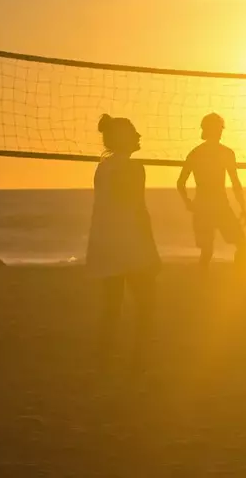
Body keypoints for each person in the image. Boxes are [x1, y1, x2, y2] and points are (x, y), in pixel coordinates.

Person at [86, 114, 160, 371]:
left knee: (112, 306)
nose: (139, 136)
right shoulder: (133, 168)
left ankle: (102, 358)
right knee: (146, 304)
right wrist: (151, 250)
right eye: (134, 132)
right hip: (129, 243)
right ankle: (139, 359)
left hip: (105, 242)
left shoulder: (102, 167)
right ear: (121, 138)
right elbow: (138, 209)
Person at [177, 113, 246, 265]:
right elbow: (235, 183)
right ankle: (239, 276)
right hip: (218, 206)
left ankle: (207, 280)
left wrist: (188, 202)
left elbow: (180, 183)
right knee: (240, 243)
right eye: (219, 128)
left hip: (204, 205)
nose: (221, 131)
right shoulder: (225, 153)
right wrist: (243, 206)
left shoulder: (196, 153)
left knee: (207, 250)